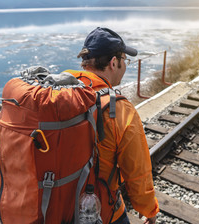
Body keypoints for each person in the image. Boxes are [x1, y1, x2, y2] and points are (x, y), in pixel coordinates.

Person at [65, 27, 159, 224]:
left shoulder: (62, 93)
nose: (126, 65)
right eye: (125, 60)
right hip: (98, 211)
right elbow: (137, 172)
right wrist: (149, 209)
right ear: (113, 63)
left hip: (54, 206)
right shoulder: (119, 109)